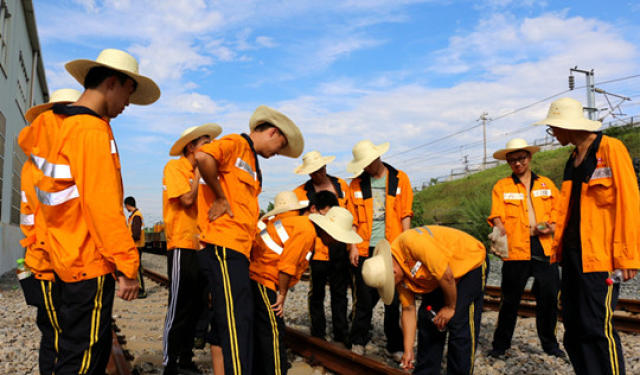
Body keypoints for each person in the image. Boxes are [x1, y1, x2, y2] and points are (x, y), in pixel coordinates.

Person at [29, 48, 160, 375]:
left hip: (63, 258)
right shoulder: (91, 130)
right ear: (113, 83)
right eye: (129, 92)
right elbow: (102, 206)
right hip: (87, 264)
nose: (128, 103)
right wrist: (127, 266)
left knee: (68, 354)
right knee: (84, 361)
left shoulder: (59, 126)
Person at [534, 97, 640, 375]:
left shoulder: (610, 149)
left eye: (553, 128)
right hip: (571, 258)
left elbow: (629, 202)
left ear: (566, 126)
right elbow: (567, 208)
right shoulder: (573, 159)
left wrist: (628, 257)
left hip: (599, 259)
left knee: (596, 328)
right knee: (574, 328)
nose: (553, 134)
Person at [195, 105, 303, 374]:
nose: (278, 152)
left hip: (238, 249)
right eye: (280, 145)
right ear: (273, 132)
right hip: (224, 244)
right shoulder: (235, 143)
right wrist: (220, 197)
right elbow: (203, 156)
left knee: (234, 319)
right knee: (236, 322)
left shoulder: (253, 163)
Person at [251, 192, 361, 375]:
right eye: (337, 237)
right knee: (273, 331)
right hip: (264, 277)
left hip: (263, 276)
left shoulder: (305, 226)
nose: (336, 242)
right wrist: (283, 294)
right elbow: (287, 265)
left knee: (267, 329)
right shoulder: (306, 232)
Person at [17, 88, 81, 375]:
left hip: (61, 261)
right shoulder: (40, 165)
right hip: (49, 263)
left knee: (58, 333)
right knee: (57, 336)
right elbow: (38, 219)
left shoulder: (50, 161)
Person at [363, 226, 487, 374]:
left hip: (469, 264)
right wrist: (408, 350)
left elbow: (446, 275)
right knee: (429, 320)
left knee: (459, 324)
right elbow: (408, 309)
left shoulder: (412, 243)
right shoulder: (398, 276)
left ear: (393, 272)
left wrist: (450, 307)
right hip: (440, 278)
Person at [486, 138, 564, 358]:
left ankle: (550, 345)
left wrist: (546, 227)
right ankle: (500, 345)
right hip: (516, 250)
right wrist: (500, 229)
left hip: (544, 249)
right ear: (508, 163)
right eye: (512, 161)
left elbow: (559, 214)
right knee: (509, 300)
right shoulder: (502, 186)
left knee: (548, 298)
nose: (517, 164)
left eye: (521, 158)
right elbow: (496, 215)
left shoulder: (546, 185)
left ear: (529, 158)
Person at [161, 123, 222, 375]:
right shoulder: (175, 168)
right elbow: (186, 200)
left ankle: (185, 359)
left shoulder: (208, 174)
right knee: (179, 308)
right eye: (205, 143)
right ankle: (170, 363)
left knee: (198, 306)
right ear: (191, 146)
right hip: (182, 245)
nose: (210, 148)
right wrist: (199, 172)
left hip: (203, 245)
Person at [346, 140, 413, 358]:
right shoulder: (356, 184)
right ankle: (358, 339)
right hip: (365, 248)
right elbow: (352, 221)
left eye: (367, 162)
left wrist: (404, 247)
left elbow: (405, 215)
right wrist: (353, 247)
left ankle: (394, 344)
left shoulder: (399, 179)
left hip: (391, 247)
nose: (365, 167)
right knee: (363, 298)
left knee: (392, 300)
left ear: (377, 157)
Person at [293, 150, 351, 345]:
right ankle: (318, 333)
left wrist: (353, 246)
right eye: (314, 171)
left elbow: (350, 216)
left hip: (339, 246)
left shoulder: (341, 186)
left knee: (340, 292)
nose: (319, 173)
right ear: (308, 173)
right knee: (316, 293)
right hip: (317, 247)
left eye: (321, 168)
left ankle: (341, 333)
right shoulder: (300, 193)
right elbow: (297, 221)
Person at [124, 196, 147, 298]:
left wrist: (128, 241)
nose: (125, 208)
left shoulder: (136, 216)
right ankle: (138, 290)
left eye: (125, 206)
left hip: (136, 246)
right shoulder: (134, 216)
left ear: (128, 205)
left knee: (137, 269)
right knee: (136, 268)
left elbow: (136, 234)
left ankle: (141, 291)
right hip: (135, 246)